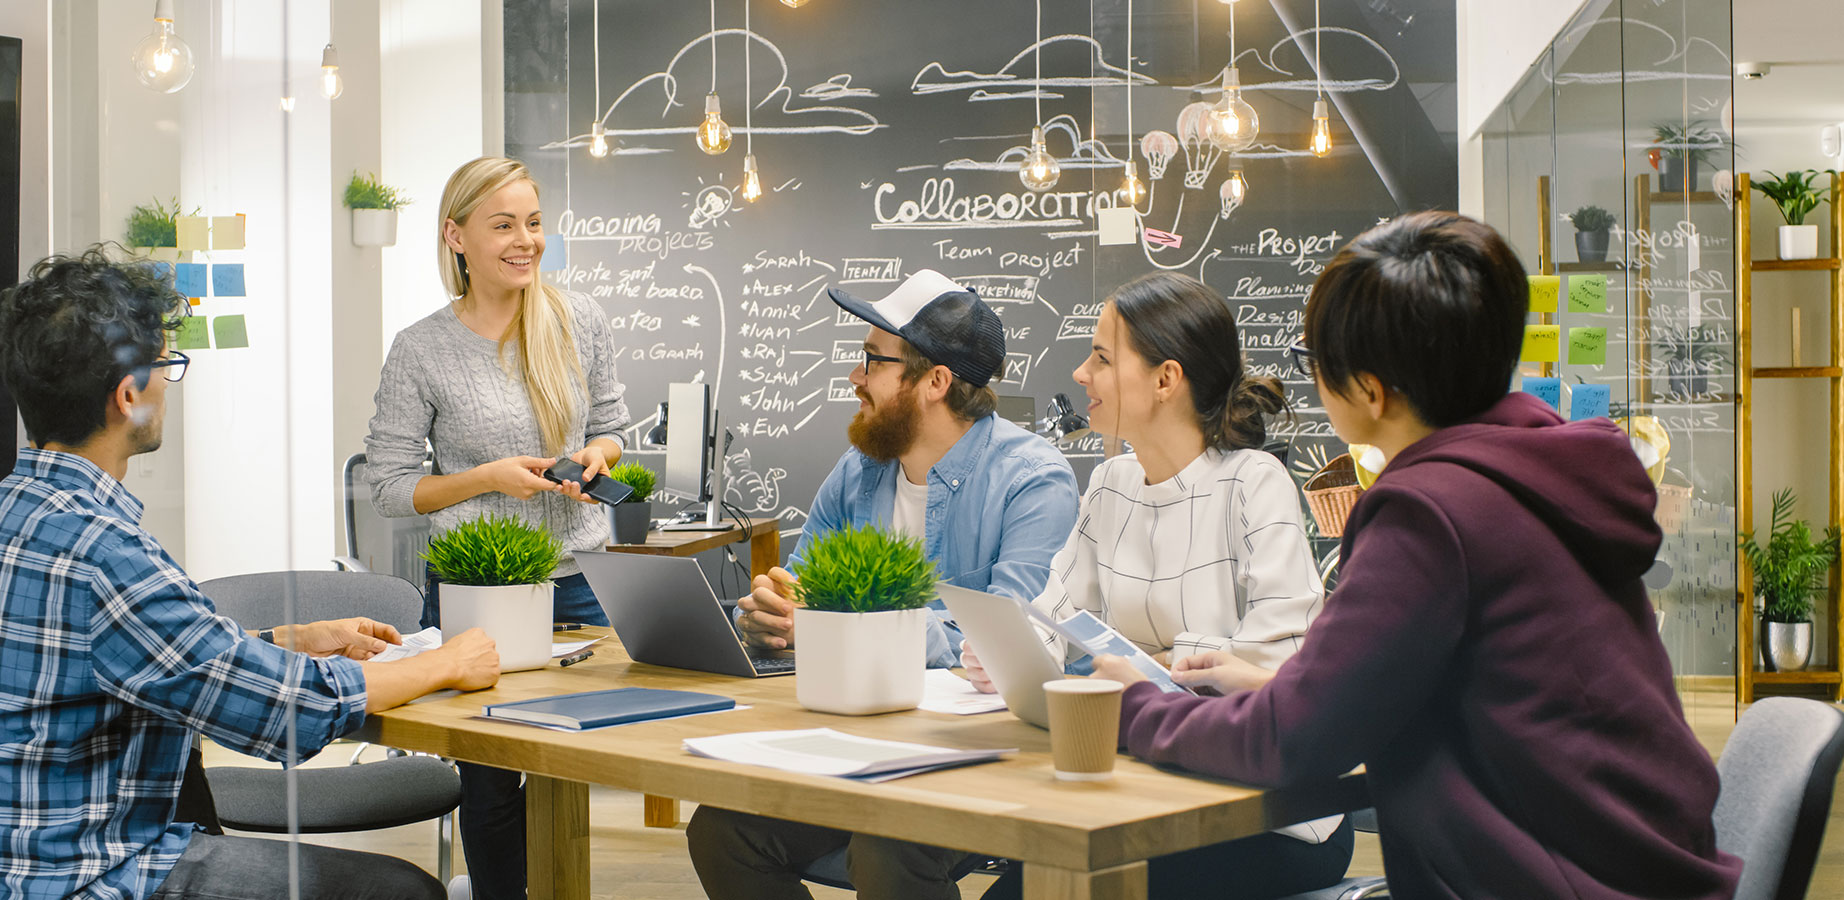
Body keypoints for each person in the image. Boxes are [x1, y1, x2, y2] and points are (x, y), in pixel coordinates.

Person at [1094, 212, 1743, 900]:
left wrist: (1130, 706)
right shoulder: (1534, 472)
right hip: (1641, 867)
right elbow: (1460, 689)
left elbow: (1287, 744)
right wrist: (1280, 690)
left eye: (1314, 362)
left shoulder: (1430, 513)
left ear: (1371, 391)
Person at [0, 247, 502, 900]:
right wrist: (444, 662)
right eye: (166, 368)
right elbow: (279, 713)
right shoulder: (105, 550)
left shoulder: (21, 509)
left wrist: (284, 641)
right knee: (400, 891)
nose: (166, 387)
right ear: (129, 396)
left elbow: (155, 666)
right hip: (100, 874)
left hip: (29, 862)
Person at [686, 269, 1081, 900]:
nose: (854, 377)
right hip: (858, 740)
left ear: (935, 382)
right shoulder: (859, 470)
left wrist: (832, 629)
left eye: (873, 360)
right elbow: (802, 591)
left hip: (973, 756)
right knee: (722, 831)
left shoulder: (1033, 479)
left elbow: (1011, 640)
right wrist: (771, 615)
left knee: (887, 849)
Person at [961, 271, 1346, 900]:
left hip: (1266, 815)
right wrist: (1011, 656)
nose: (1081, 374)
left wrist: (1152, 668)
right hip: (1140, 783)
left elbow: (1276, 667)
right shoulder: (1110, 482)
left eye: (1103, 358)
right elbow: (1053, 615)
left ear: (1166, 379)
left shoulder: (1254, 482)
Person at [364, 155, 630, 900]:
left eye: (535, 223)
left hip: (581, 587)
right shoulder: (422, 349)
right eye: (504, 224)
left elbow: (613, 428)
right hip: (476, 593)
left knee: (572, 768)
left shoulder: (580, 321)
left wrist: (595, 454)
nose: (526, 240)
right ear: (456, 235)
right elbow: (388, 487)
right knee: (490, 785)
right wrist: (487, 477)